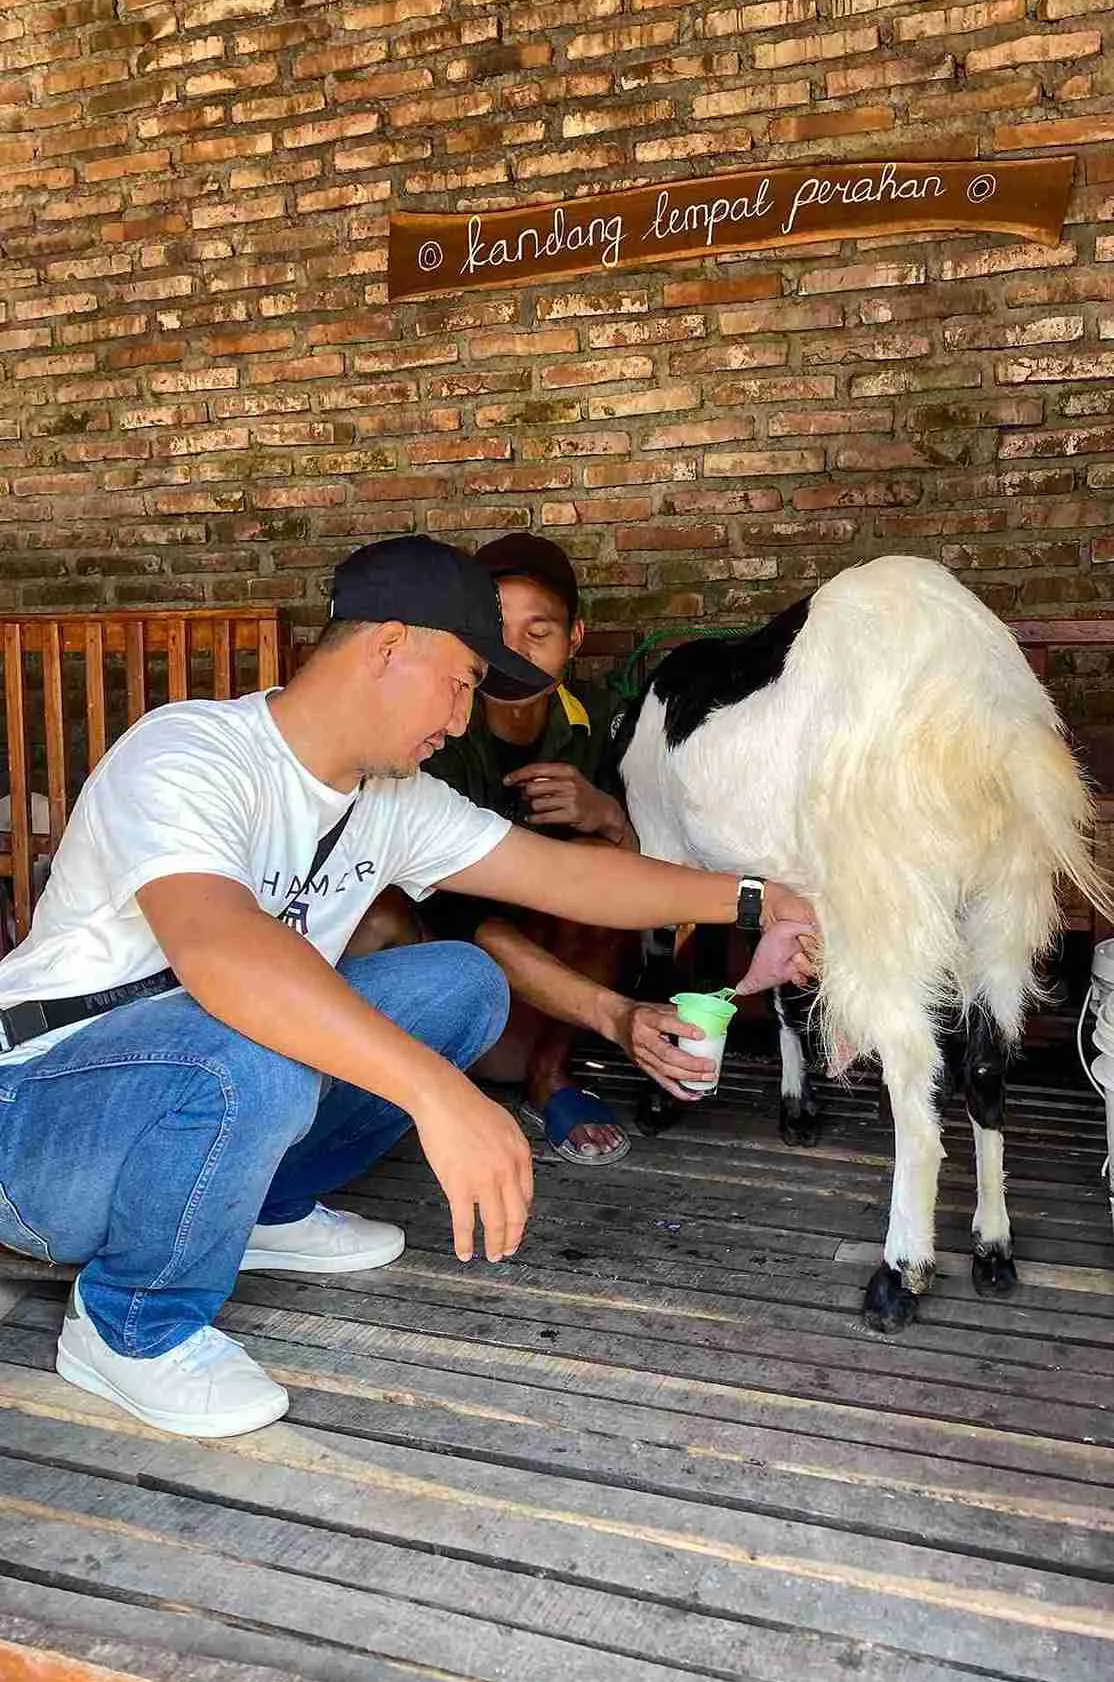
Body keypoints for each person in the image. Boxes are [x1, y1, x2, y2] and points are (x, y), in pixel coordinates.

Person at [0, 535, 815, 1442]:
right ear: (390, 647)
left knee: (461, 984)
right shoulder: (192, 752)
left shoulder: (388, 797)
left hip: (193, 1088)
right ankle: (129, 1325)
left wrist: (756, 896)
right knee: (253, 1043)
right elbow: (222, 952)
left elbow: (561, 877)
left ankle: (258, 1209)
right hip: (38, 1125)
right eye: (462, 680)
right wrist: (440, 1095)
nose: (465, 721)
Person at [359, 533, 798, 1167]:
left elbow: (652, 881)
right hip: (453, 962)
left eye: (538, 632)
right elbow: (455, 912)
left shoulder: (607, 723)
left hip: (555, 992)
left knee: (603, 857)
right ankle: (432, 1083)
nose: (513, 653)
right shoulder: (438, 732)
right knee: (388, 913)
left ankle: (550, 1077)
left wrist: (609, 817)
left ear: (576, 638)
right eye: (496, 631)